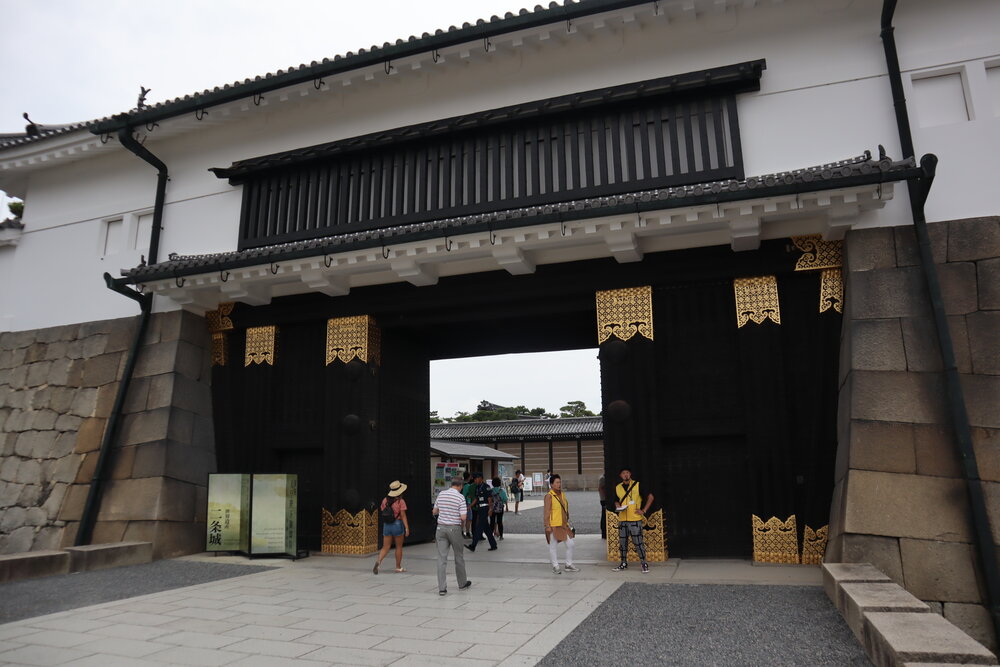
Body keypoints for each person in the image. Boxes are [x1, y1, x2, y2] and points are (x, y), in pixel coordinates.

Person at [433, 476, 473, 595]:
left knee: (441, 558)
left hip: (440, 528)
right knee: (459, 557)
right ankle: (462, 583)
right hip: (454, 528)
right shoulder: (460, 497)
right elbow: (463, 517)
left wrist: (444, 512)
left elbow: (434, 511)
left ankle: (442, 588)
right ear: (460, 486)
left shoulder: (441, 494)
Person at [612, 466, 654, 573]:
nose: (625, 475)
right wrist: (617, 505)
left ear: (630, 474)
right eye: (623, 473)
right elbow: (616, 500)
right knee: (622, 543)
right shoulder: (618, 487)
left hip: (634, 519)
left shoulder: (637, 485)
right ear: (620, 476)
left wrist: (643, 510)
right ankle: (623, 563)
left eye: (627, 473)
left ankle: (644, 563)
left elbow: (650, 497)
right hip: (622, 519)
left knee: (638, 542)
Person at [543, 474, 579, 574]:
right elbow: (546, 512)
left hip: (563, 524)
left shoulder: (562, 494)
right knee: (553, 546)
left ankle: (568, 564)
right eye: (557, 483)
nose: (559, 484)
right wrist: (547, 526)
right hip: (554, 525)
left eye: (560, 482)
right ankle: (555, 566)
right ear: (551, 484)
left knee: (570, 544)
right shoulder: (549, 496)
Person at [373, 480, 409, 574]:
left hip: (387, 525)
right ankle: (398, 567)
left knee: (385, 547)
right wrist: (406, 528)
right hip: (397, 524)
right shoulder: (401, 501)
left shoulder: (385, 500)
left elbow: (383, 510)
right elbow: (403, 515)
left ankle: (378, 561)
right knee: (398, 547)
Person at [466, 472, 498, 552]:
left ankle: (473, 545)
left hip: (485, 508)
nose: (475, 480)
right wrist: (470, 506)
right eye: (474, 479)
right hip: (480, 509)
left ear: (481, 478)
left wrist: (490, 509)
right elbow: (476, 499)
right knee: (487, 529)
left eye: (476, 479)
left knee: (478, 527)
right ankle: (493, 545)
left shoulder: (486, 487)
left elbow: (490, 499)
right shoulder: (477, 487)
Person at [461, 472, 476, 538]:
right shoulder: (468, 486)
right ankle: (467, 532)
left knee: (462, 519)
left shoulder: (461, 485)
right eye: (470, 476)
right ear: (469, 477)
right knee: (469, 519)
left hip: (461, 503)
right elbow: (470, 495)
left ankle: (461, 532)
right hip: (467, 503)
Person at [598, 473, 607, 540]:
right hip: (604, 499)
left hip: (603, 499)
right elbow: (601, 488)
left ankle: (604, 532)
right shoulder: (603, 478)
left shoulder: (603, 478)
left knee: (604, 515)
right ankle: (604, 532)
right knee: (604, 515)